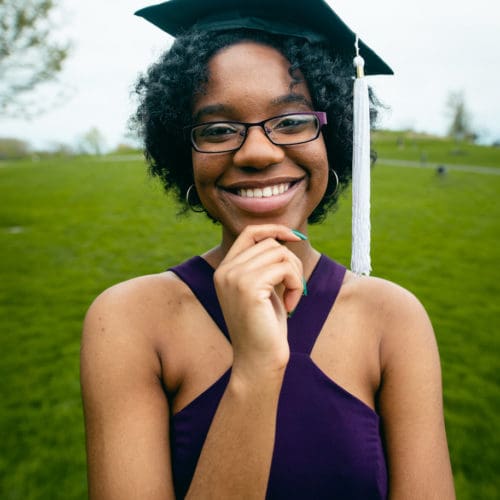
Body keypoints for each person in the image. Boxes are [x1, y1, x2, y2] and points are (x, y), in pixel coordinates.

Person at [80, 0, 455, 498]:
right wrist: (255, 373)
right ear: (182, 152)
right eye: (217, 130)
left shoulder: (393, 319)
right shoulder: (128, 322)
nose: (257, 152)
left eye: (293, 121)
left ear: (335, 136)